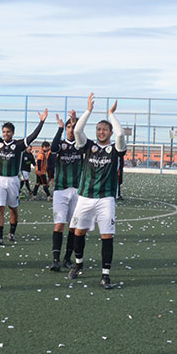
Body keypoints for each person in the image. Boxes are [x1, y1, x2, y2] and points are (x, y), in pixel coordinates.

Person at [67, 94, 127, 290]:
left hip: (105, 199)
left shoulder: (115, 148)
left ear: (109, 131)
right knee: (78, 232)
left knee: (107, 236)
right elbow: (77, 129)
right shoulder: (88, 146)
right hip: (85, 197)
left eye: (105, 129)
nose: (101, 132)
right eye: (99, 129)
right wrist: (89, 111)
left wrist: (111, 115)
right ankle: (78, 265)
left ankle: (105, 275)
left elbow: (120, 135)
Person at [0, 111, 47, 246]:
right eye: (4, 132)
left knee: (13, 208)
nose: (5, 134)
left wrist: (41, 122)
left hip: (13, 180)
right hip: (0, 180)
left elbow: (32, 136)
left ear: (12, 133)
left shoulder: (19, 145)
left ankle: (12, 232)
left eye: (8, 132)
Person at [49, 112, 82, 271]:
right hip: (60, 190)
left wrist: (78, 126)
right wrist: (59, 128)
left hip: (77, 190)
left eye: (73, 127)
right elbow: (53, 148)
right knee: (59, 225)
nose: (71, 129)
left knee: (73, 226)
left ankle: (67, 258)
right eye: (69, 127)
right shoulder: (60, 144)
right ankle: (55, 260)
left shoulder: (82, 146)